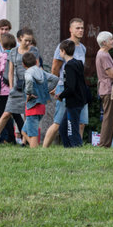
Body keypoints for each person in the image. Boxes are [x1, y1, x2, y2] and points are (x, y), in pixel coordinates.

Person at [43, 18, 88, 147]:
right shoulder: (63, 46)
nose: (80, 30)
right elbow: (55, 68)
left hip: (79, 89)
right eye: (77, 28)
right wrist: (55, 86)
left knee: (81, 122)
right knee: (58, 122)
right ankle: (44, 148)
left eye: (82, 28)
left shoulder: (83, 48)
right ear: (70, 30)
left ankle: (76, 147)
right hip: (65, 87)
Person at [0, 28, 39, 143]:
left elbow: (37, 68)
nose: (28, 43)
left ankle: (25, 141)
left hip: (30, 87)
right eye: (26, 40)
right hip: (17, 88)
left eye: (30, 40)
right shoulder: (13, 51)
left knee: (29, 115)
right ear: (19, 39)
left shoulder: (34, 51)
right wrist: (11, 87)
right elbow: (10, 71)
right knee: (6, 113)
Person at [54, 40, 90, 147]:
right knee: (63, 127)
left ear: (63, 51)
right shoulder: (78, 63)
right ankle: (68, 148)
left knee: (71, 128)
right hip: (79, 100)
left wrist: (61, 95)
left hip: (73, 102)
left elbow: (71, 87)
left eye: (60, 51)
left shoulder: (69, 66)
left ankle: (76, 146)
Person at [23, 51, 59, 148]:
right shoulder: (41, 71)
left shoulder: (28, 72)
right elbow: (55, 79)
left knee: (33, 134)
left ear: (23, 64)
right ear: (36, 62)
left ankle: (35, 154)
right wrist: (46, 91)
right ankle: (35, 148)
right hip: (41, 106)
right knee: (24, 131)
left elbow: (29, 80)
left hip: (32, 106)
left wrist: (29, 93)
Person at [95, 31, 113, 148]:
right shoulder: (103, 55)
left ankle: (106, 143)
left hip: (106, 89)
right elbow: (111, 74)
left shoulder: (104, 53)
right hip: (108, 89)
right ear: (104, 42)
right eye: (111, 39)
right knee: (109, 117)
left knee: (109, 117)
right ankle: (104, 144)